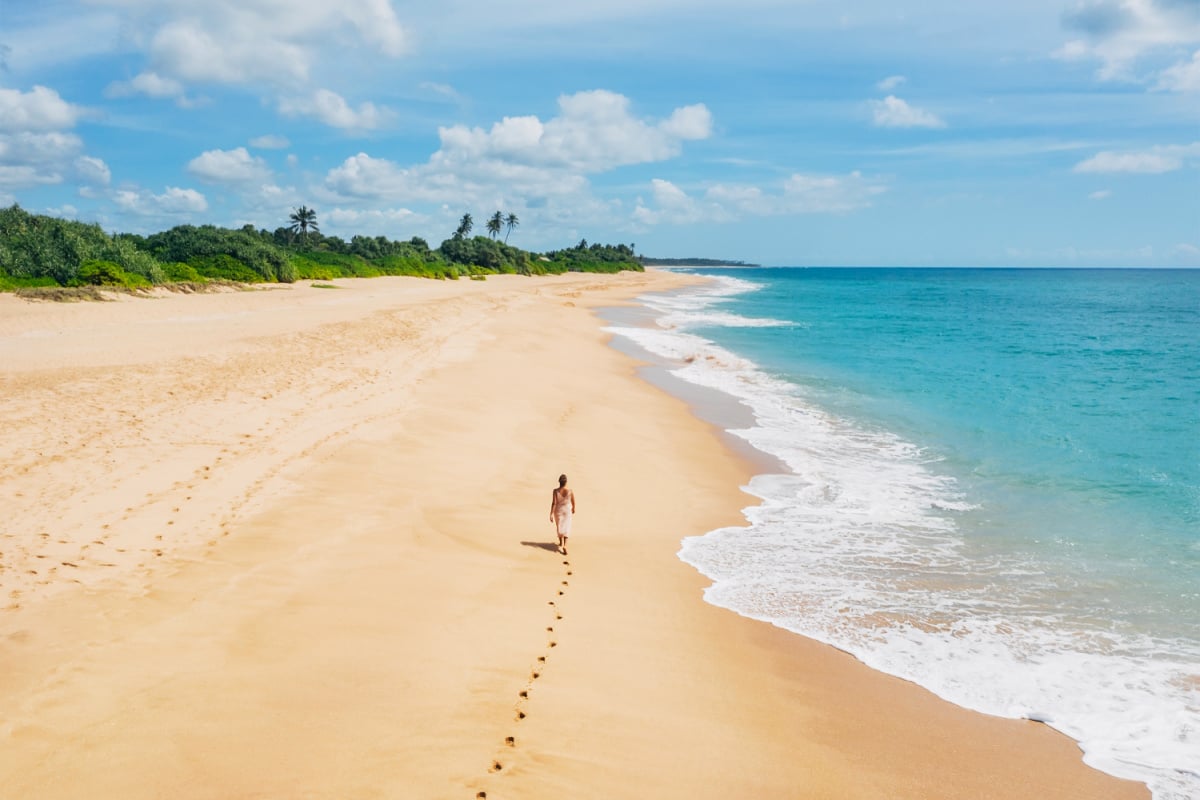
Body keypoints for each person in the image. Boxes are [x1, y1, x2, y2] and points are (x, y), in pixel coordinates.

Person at [549, 473, 576, 555]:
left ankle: (561, 543)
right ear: (566, 482)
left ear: (559, 482)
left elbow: (554, 503)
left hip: (558, 511)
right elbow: (573, 501)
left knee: (559, 526)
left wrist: (551, 514)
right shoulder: (570, 491)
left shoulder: (555, 491)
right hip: (567, 510)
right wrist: (574, 508)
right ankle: (565, 545)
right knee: (567, 527)